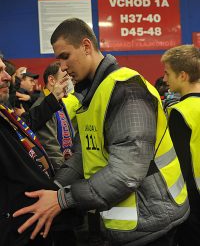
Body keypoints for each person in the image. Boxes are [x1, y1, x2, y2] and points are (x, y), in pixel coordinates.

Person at [13, 18, 189, 246]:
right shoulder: (93, 94)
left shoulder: (126, 89)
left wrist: (62, 199)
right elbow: (82, 156)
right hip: (124, 226)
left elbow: (126, 173)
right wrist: (53, 189)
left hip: (153, 224)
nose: (63, 67)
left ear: (86, 46)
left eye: (65, 56)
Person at [0, 54, 80, 246]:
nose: (8, 76)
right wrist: (64, 196)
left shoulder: (4, 112)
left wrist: (53, 99)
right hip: (18, 231)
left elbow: (26, 124)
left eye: (4, 69)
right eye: (0, 71)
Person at [161, 44, 200, 246]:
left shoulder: (179, 112)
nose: (165, 79)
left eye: (167, 74)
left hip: (193, 206)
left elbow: (181, 166)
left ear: (183, 75)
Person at [30, 61, 75, 171]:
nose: (70, 81)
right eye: (65, 76)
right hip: (59, 172)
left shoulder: (59, 102)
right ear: (51, 80)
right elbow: (50, 148)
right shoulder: (42, 106)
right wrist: (64, 174)